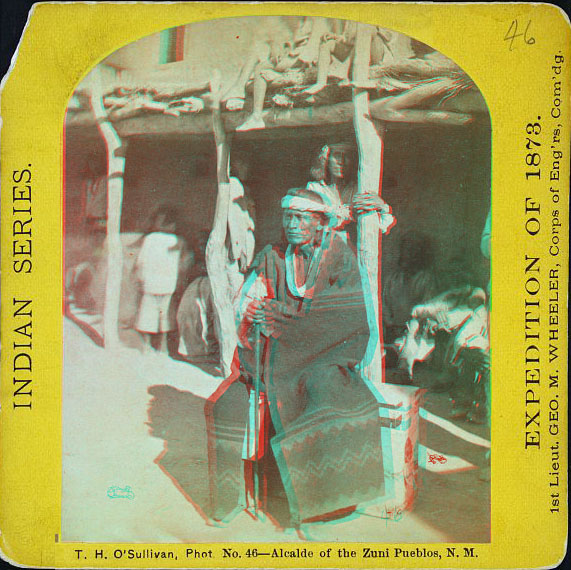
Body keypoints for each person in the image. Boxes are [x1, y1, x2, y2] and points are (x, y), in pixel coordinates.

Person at [204, 187, 385, 527]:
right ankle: (269, 494)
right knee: (229, 400)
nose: (292, 224)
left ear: (320, 224)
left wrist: (284, 320)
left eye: (301, 218)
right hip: (279, 352)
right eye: (288, 217)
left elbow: (347, 317)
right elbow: (248, 300)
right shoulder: (272, 255)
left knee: (325, 386)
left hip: (327, 352)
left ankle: (329, 501)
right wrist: (256, 310)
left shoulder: (339, 255)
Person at [306, 143, 395, 244]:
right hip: (323, 251)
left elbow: (380, 228)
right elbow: (311, 225)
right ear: (326, 159)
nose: (341, 162)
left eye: (347, 156)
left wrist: (382, 207)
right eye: (337, 155)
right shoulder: (315, 188)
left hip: (353, 250)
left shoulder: (359, 189)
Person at [134, 205, 188, 354]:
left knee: (147, 313)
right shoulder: (178, 240)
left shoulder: (150, 239)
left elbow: (141, 261)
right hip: (168, 283)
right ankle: (163, 346)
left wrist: (141, 278)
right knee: (166, 314)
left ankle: (146, 345)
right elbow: (182, 264)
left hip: (151, 282)